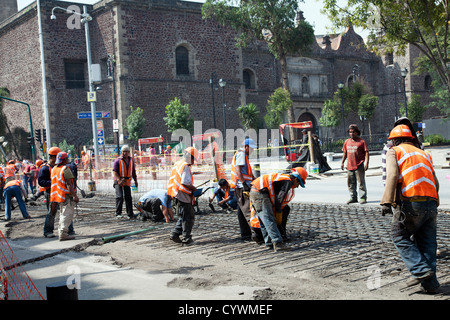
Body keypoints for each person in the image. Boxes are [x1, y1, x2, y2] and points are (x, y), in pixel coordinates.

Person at [380, 124, 441, 294]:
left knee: (399, 235)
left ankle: (420, 270)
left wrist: (387, 201)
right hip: (431, 203)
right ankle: (432, 285)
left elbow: (392, 175)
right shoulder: (424, 153)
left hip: (411, 202)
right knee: (427, 244)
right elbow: (435, 182)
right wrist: (434, 202)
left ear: (395, 140)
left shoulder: (395, 151)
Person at [249, 167, 307, 252]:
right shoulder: (287, 182)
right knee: (269, 219)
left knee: (263, 220)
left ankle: (269, 243)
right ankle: (278, 243)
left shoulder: (283, 178)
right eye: (298, 183)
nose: (297, 186)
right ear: (295, 179)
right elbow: (279, 199)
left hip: (255, 191)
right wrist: (278, 211)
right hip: (259, 193)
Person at [168, 147, 199, 245]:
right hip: (183, 195)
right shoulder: (185, 166)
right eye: (194, 159)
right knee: (188, 217)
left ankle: (175, 234)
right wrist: (193, 188)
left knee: (183, 216)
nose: (194, 162)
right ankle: (186, 238)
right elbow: (185, 182)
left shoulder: (178, 164)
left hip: (177, 193)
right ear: (190, 157)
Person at [231, 138, 260, 242]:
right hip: (242, 187)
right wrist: (244, 184)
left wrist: (255, 180)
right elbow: (238, 170)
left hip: (241, 186)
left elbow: (247, 173)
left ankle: (245, 235)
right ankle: (256, 234)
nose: (252, 151)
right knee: (248, 210)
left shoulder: (243, 155)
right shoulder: (242, 154)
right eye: (251, 148)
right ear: (246, 146)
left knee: (241, 212)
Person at [50, 152, 79, 241]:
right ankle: (63, 234)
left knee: (62, 214)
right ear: (65, 159)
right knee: (67, 214)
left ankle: (61, 232)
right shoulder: (65, 169)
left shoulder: (54, 169)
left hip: (57, 195)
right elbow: (69, 184)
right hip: (66, 195)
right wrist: (75, 196)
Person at [341, 124, 369, 204]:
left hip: (359, 165)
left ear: (357, 132)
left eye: (353, 132)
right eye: (350, 132)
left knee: (361, 183)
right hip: (349, 166)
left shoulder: (361, 142)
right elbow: (345, 153)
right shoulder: (347, 142)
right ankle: (353, 197)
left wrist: (367, 163)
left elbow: (366, 152)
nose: (351, 134)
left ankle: (363, 197)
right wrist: (342, 162)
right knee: (350, 183)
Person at [112, 145, 138, 219]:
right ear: (121, 152)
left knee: (128, 197)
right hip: (119, 181)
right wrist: (119, 180)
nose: (125, 153)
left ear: (128, 152)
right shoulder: (117, 160)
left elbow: (133, 171)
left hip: (127, 181)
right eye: (123, 152)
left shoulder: (131, 160)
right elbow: (115, 172)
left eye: (126, 151)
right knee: (119, 196)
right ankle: (118, 213)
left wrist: (135, 180)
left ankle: (130, 213)